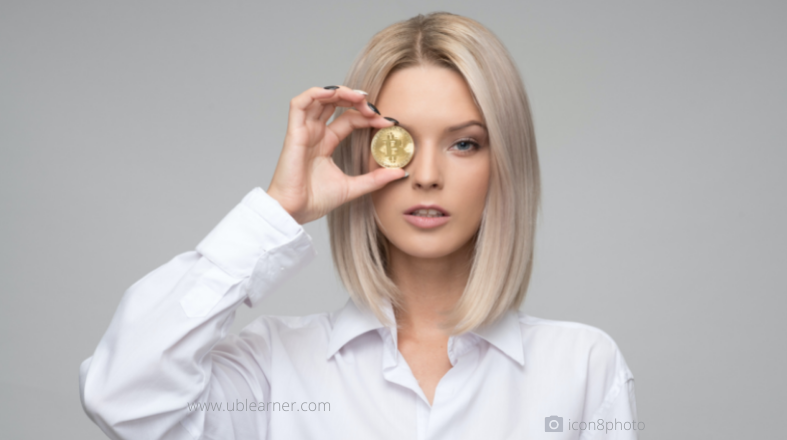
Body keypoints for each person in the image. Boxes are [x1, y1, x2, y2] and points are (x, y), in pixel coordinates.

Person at [79, 12, 639, 439]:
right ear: (361, 155)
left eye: (463, 143)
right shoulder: (274, 367)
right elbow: (125, 395)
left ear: (504, 165)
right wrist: (277, 208)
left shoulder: (583, 367)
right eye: (397, 143)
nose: (424, 175)